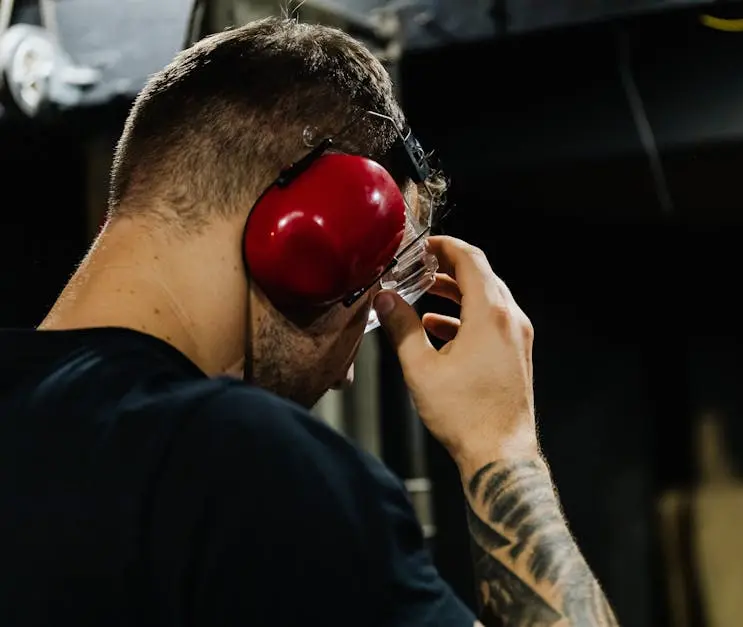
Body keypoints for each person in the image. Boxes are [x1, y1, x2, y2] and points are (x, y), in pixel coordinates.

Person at [0, 17, 618, 627]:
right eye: (374, 288)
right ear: (308, 234)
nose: (347, 372)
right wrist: (502, 447)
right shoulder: (246, 467)